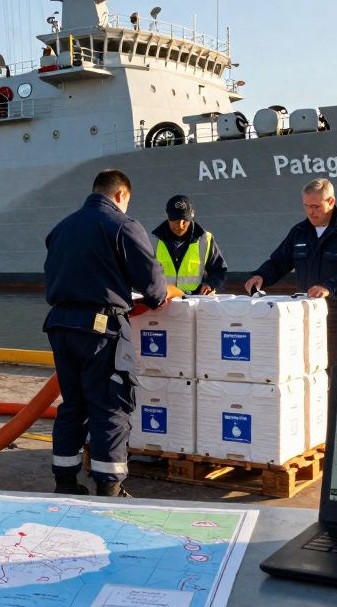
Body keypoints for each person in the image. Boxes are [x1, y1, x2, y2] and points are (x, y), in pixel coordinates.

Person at [44, 170, 169, 497]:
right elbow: (153, 285)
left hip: (60, 325)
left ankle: (65, 483)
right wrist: (160, 295)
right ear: (120, 195)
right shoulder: (123, 226)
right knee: (110, 406)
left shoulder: (62, 228)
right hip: (100, 330)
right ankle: (109, 488)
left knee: (73, 405)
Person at [244, 178, 337, 366]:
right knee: (311, 371)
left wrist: (329, 287)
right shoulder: (299, 232)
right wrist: (261, 275)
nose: (310, 212)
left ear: (331, 202)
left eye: (316, 207)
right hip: (309, 316)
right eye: (306, 206)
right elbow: (279, 262)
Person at [152, 194, 227, 295]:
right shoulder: (155, 240)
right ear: (167, 216)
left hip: (197, 301)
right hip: (166, 300)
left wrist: (210, 285)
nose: (180, 225)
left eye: (185, 220)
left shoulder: (205, 239)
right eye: (176, 220)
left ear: (192, 214)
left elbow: (219, 270)